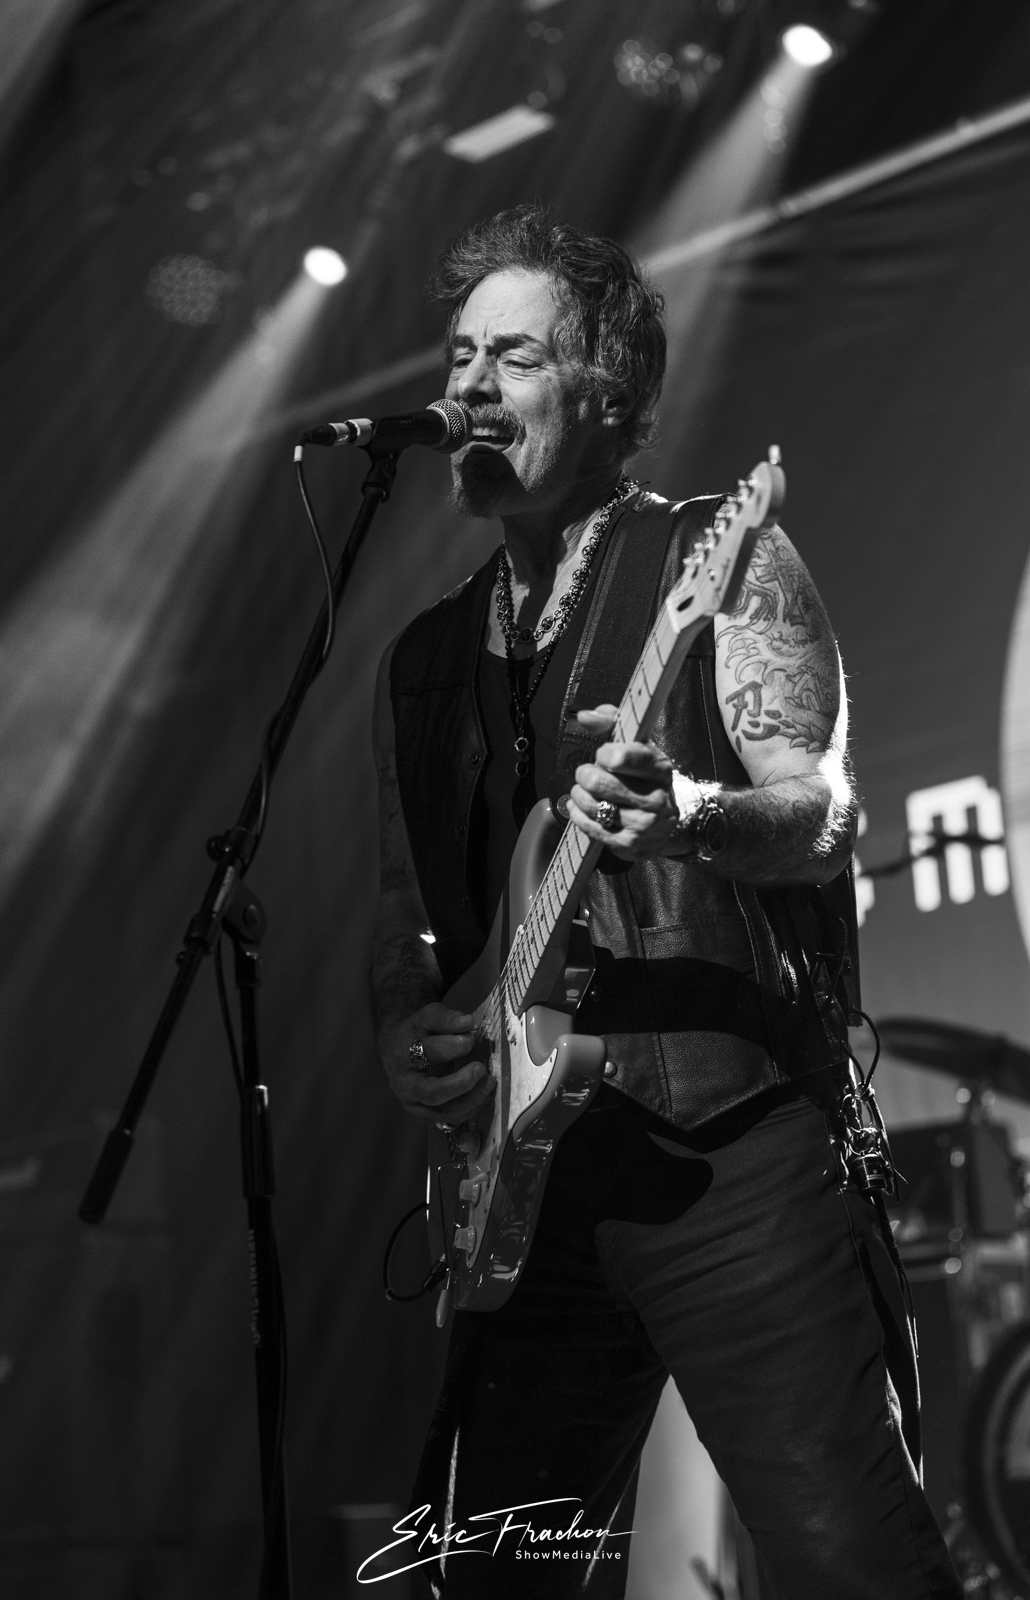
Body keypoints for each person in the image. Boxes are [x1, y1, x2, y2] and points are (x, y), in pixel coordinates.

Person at [370, 206, 961, 1599]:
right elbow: (409, 925)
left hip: (735, 1157)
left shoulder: (720, 557)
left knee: (853, 1565)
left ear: (606, 394)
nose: (469, 386)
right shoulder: (422, 662)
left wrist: (690, 816)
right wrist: (411, 1035)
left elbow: (825, 814)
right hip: (528, 1194)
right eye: (459, 356)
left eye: (514, 357)